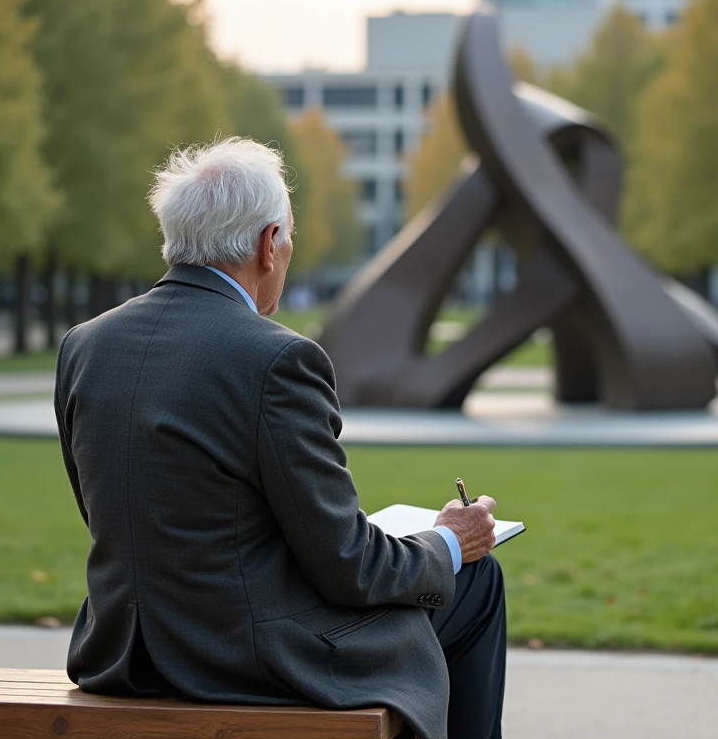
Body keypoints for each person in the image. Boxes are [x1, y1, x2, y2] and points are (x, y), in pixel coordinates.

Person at [55, 138, 506, 739]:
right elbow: (349, 567)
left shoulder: (84, 346)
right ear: (270, 244)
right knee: (475, 579)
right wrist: (449, 542)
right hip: (242, 657)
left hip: (119, 650)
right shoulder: (278, 359)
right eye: (289, 239)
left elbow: (118, 513)